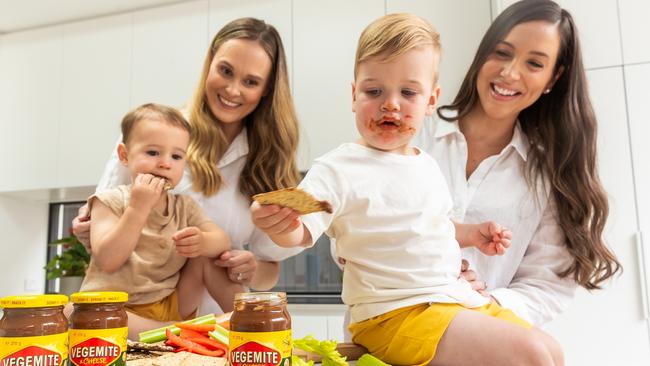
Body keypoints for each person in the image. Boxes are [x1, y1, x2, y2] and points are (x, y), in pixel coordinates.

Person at [252, 13, 563, 366]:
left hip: (449, 301)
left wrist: (471, 234)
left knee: (551, 350)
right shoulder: (337, 169)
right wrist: (282, 225)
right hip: (391, 315)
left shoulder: (425, 164)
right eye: (374, 91)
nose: (391, 104)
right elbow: (300, 231)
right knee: (532, 355)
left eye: (408, 92)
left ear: (431, 101)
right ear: (354, 95)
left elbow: (432, 228)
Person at [72, 17, 303, 315]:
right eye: (225, 71)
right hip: (134, 309)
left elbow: (269, 269)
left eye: (250, 81)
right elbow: (105, 225)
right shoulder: (153, 134)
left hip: (214, 323)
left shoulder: (267, 161)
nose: (233, 90)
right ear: (209, 65)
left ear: (266, 89)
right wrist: (91, 228)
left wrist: (251, 268)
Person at [414, 0, 621, 326]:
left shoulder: (546, 174)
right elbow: (354, 238)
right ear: (482, 54)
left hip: (479, 344)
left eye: (535, 64)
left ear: (554, 78)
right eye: (502, 53)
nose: (510, 73)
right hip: (385, 338)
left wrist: (484, 302)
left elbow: (548, 285)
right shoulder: (414, 132)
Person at [80, 103, 242, 338]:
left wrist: (203, 241)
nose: (166, 163)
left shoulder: (184, 207)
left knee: (211, 258)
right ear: (124, 155)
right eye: (153, 153)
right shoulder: (109, 201)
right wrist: (137, 209)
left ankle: (251, 322)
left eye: (176, 156)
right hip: (114, 311)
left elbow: (222, 240)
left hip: (167, 305)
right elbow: (108, 260)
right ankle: (178, 332)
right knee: (73, 311)